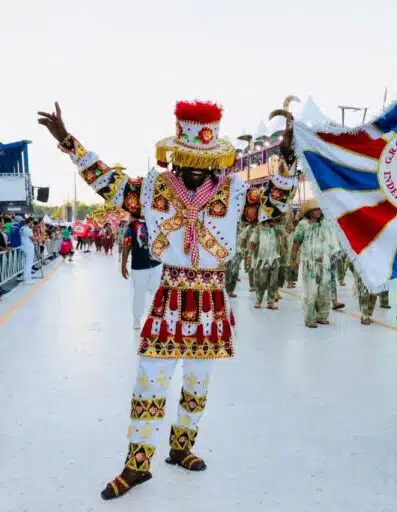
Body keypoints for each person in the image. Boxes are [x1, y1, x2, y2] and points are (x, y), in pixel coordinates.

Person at [37, 100, 296, 500]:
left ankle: (182, 447)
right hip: (170, 296)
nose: (196, 167)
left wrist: (287, 159)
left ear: (216, 160)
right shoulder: (152, 189)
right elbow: (107, 182)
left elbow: (274, 205)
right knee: (149, 382)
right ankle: (137, 465)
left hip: (211, 300)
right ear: (174, 157)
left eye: (203, 160)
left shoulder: (234, 191)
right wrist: (69, 143)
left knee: (198, 381)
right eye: (187, 158)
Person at [291, 199, 340, 328]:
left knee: (325, 290)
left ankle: (322, 316)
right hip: (309, 264)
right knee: (311, 292)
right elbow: (296, 243)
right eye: (316, 210)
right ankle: (309, 319)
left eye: (319, 209)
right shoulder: (303, 225)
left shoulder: (325, 224)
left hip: (324, 264)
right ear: (310, 212)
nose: (319, 212)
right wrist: (293, 260)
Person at [121, 216, 163, 330]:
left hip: (156, 265)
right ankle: (137, 319)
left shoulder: (157, 223)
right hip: (139, 267)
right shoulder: (132, 227)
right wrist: (123, 264)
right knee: (139, 294)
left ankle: (157, 318)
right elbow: (126, 245)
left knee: (158, 293)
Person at [249, 217, 282, 310]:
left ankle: (271, 302)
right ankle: (259, 300)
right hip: (262, 260)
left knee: (273, 282)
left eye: (274, 221)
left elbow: (285, 230)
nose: (273, 222)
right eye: (271, 221)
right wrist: (251, 254)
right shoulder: (258, 230)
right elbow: (252, 244)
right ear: (266, 221)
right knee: (261, 282)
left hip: (274, 259)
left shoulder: (275, 229)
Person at [20, 217, 36, 283]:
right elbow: (33, 239)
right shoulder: (28, 230)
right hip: (28, 248)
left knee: (26, 263)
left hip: (24, 247)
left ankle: (27, 277)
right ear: (30, 222)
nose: (32, 223)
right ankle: (27, 279)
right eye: (32, 222)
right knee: (29, 263)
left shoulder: (22, 228)